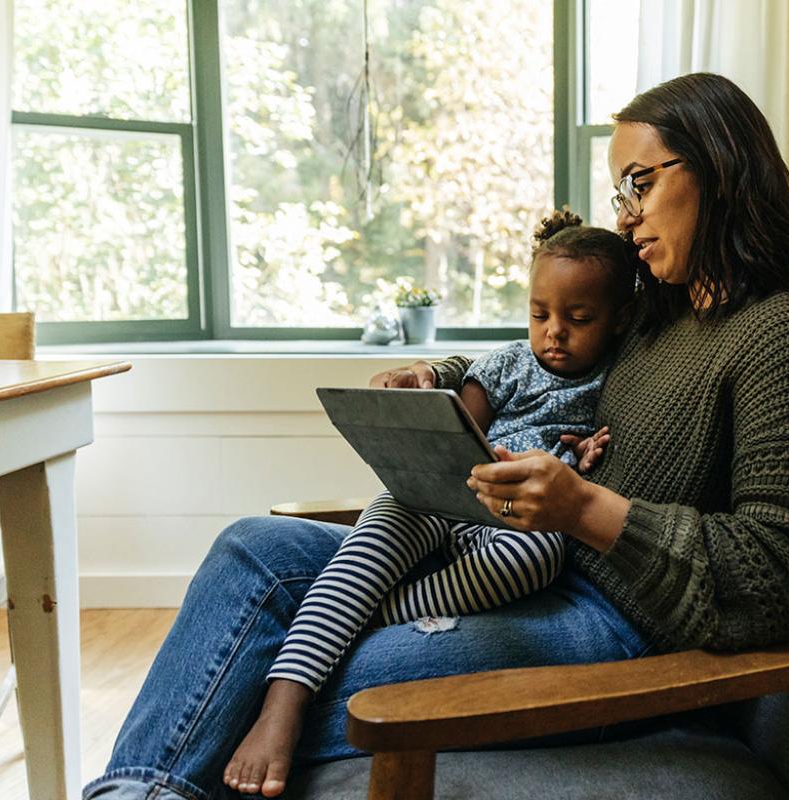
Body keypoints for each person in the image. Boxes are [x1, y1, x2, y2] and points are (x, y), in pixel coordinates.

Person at [84, 72, 789, 800]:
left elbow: (780, 581)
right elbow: (541, 356)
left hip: (618, 620)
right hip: (515, 556)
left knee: (306, 670)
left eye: (640, 184)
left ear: (720, 167)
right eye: (620, 193)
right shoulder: (655, 311)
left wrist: (583, 509)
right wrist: (440, 378)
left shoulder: (781, 334)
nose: (625, 216)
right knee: (250, 548)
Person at [222, 209, 636, 796]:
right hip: (446, 495)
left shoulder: (619, 381)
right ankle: (283, 701)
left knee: (539, 557)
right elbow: (453, 428)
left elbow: (597, 476)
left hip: (516, 522)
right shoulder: (507, 364)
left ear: (619, 319)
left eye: (579, 319)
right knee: (381, 527)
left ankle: (356, 621)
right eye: (539, 315)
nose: (554, 333)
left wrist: (588, 458)